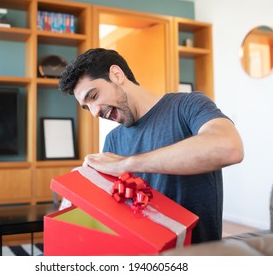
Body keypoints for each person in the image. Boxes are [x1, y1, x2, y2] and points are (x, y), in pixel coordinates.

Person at [58, 48, 244, 244]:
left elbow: (229, 147)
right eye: (87, 107)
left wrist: (126, 164)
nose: (94, 113)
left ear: (117, 75)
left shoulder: (187, 106)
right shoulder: (112, 140)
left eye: (94, 96)